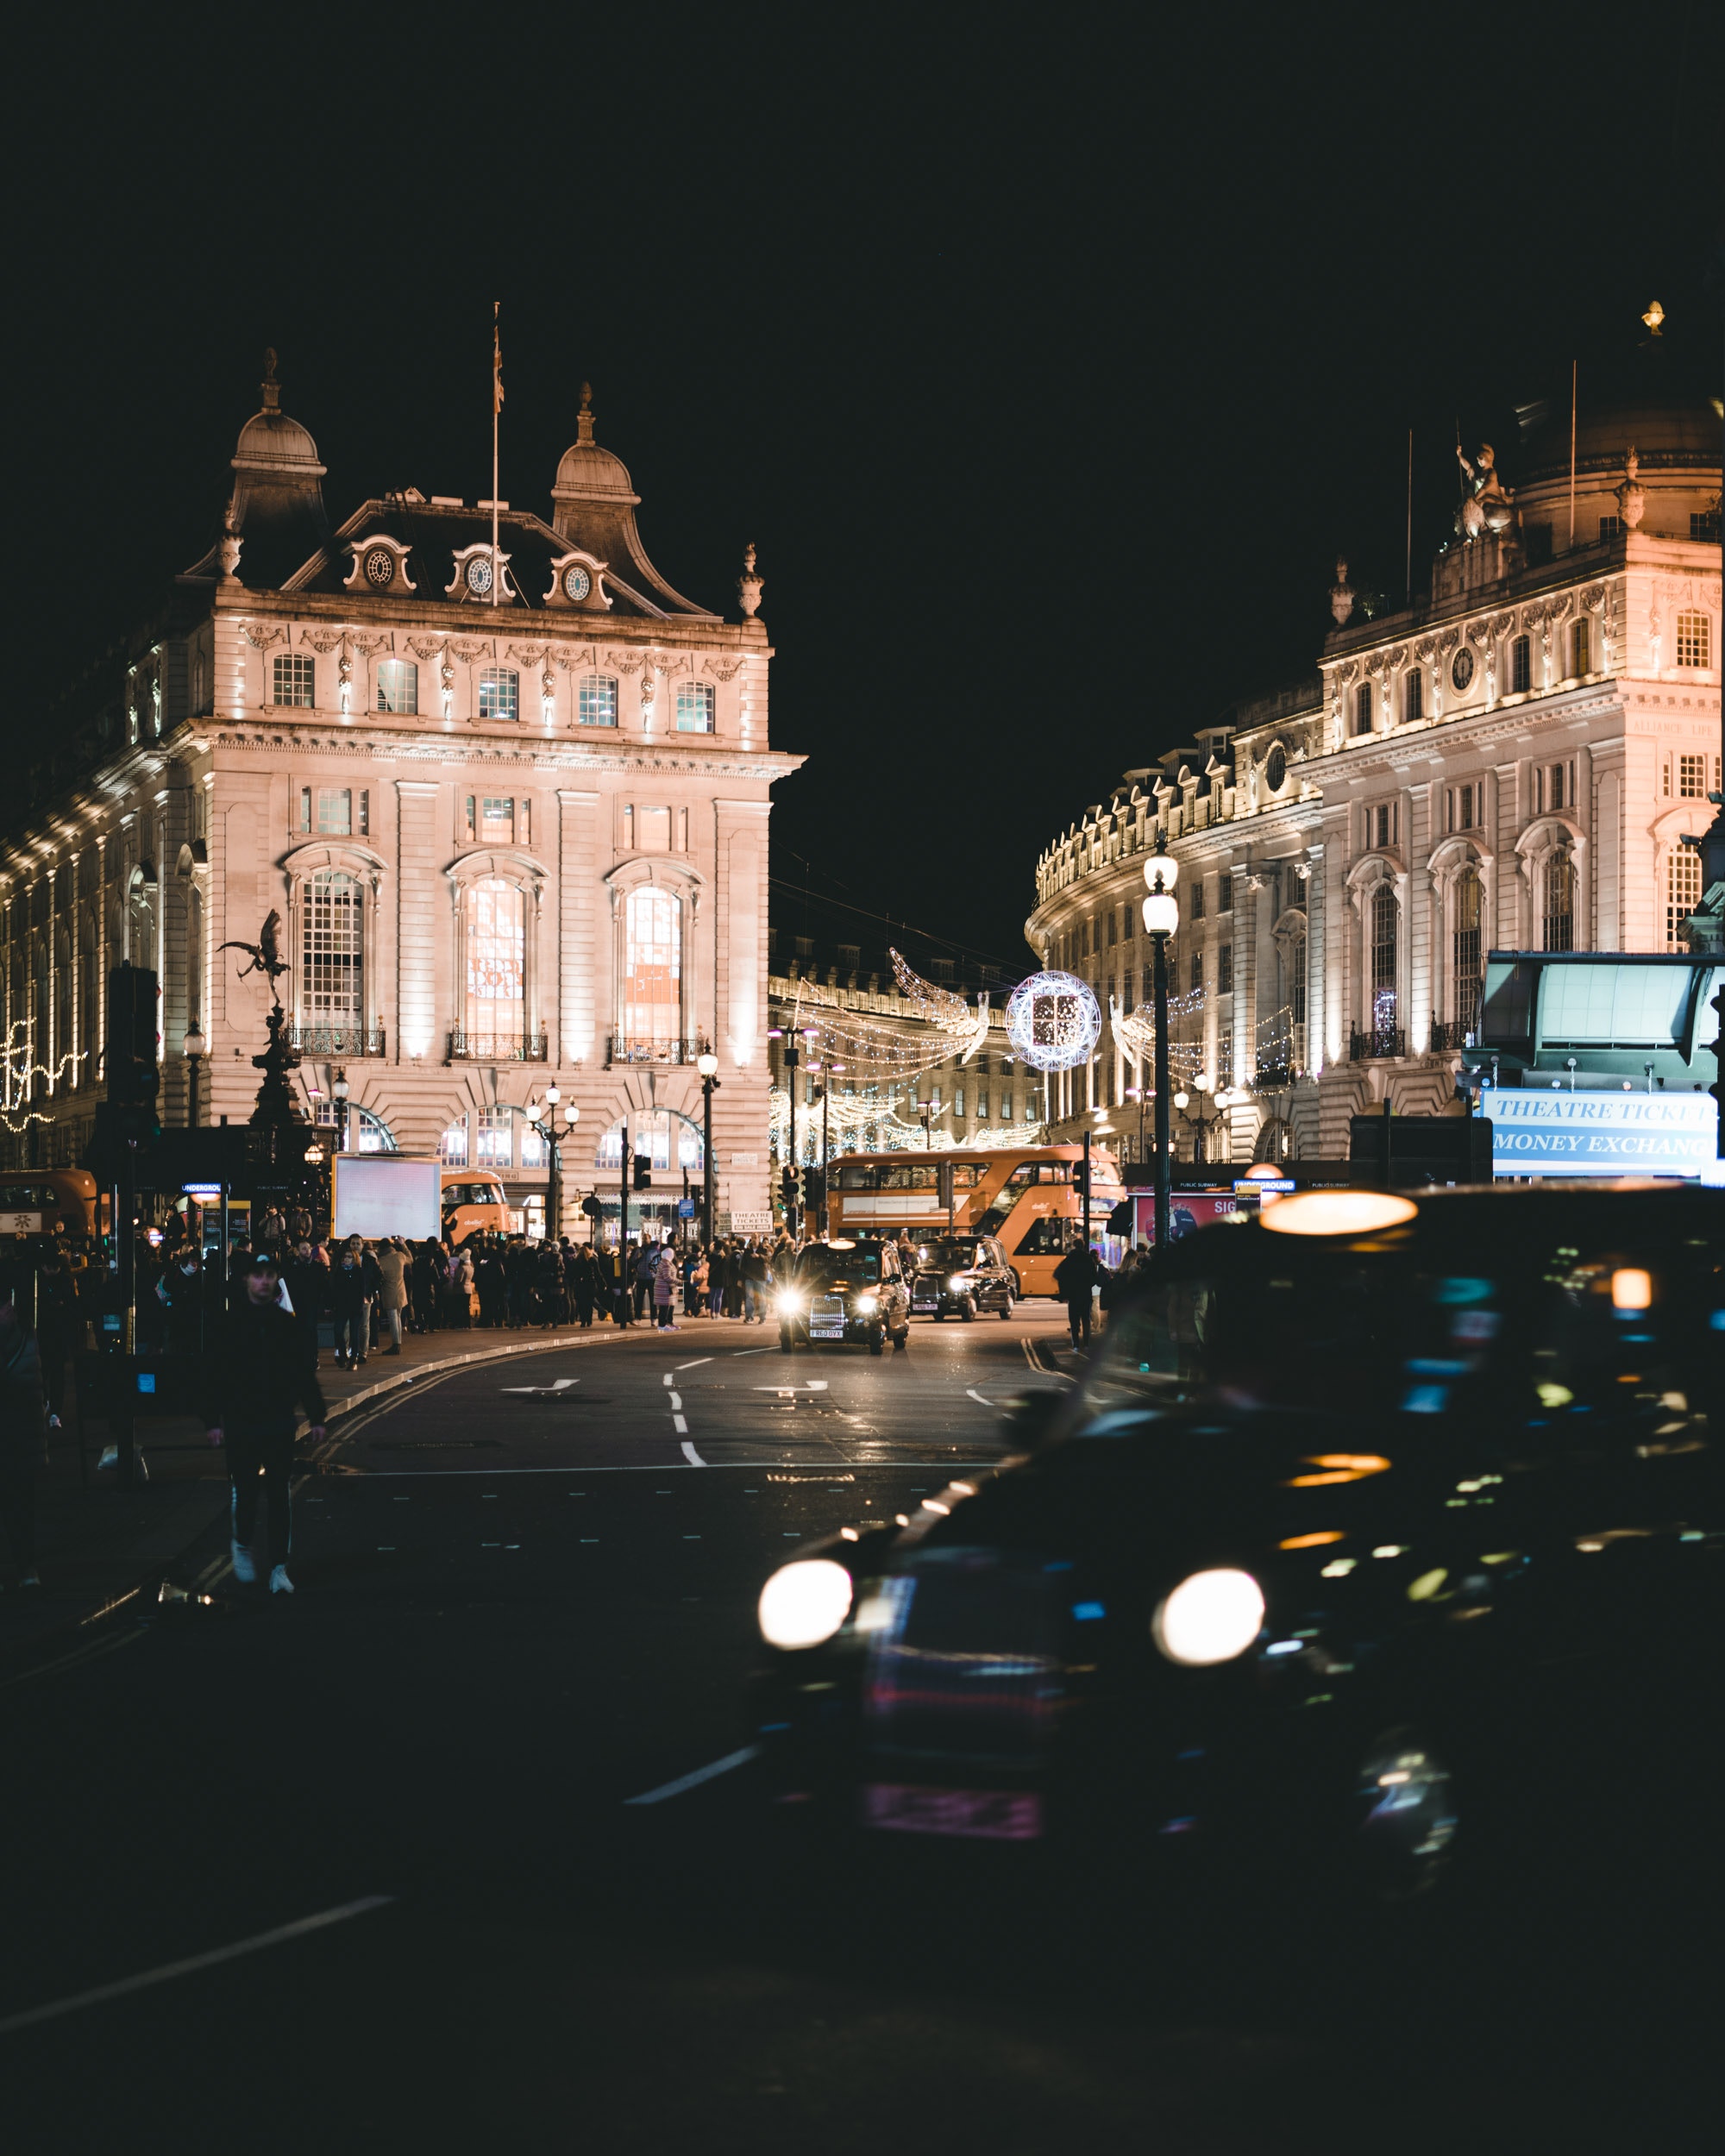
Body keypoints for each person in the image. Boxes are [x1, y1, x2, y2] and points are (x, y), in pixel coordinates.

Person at [204, 1250, 327, 1595]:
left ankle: (278, 1567)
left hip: (278, 1421)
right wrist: (212, 1419)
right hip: (242, 1421)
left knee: (279, 1495)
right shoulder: (229, 1323)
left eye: (270, 1275)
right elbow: (213, 1374)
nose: (264, 1281)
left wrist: (316, 1415)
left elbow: (302, 1374)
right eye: (258, 1275)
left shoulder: (286, 1324)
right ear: (247, 1279)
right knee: (244, 1492)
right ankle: (242, 1544)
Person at [0, 1264, 47, 1589]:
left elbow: (34, 1398)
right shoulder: (26, 1339)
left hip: (17, 1438)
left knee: (20, 1508)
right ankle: (26, 1568)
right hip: (19, 1436)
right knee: (19, 1507)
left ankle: (26, 1565)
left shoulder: (26, 1341)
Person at [34, 1246, 80, 1431]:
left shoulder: (41, 1282)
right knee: (57, 1376)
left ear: (47, 1266)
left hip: (45, 1334)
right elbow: (75, 1308)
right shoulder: (68, 1281)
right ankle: (55, 1412)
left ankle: (46, 1404)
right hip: (60, 1336)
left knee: (42, 1373)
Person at [328, 1242, 370, 1368]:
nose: (346, 1259)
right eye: (345, 1257)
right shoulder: (339, 1271)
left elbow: (361, 1290)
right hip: (341, 1307)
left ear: (354, 1259)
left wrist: (359, 1306)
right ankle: (343, 1354)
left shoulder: (358, 1272)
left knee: (354, 1333)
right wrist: (332, 1304)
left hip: (355, 1307)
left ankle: (353, 1359)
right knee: (338, 1330)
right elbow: (334, 1289)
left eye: (349, 1257)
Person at [1053, 1240, 1102, 1349]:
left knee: (1074, 1320)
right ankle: (1086, 1343)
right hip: (1085, 1293)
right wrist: (1087, 1285)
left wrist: (1065, 1293)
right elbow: (1094, 1277)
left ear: (1074, 1246)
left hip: (1073, 1294)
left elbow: (1058, 1274)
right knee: (1086, 1319)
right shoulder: (1088, 1259)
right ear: (1083, 1246)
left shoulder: (1069, 1259)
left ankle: (1076, 1344)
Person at [373, 1235, 409, 1356]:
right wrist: (403, 1244)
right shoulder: (400, 1256)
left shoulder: (381, 1261)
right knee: (398, 1318)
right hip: (401, 1292)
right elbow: (411, 1259)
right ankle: (398, 1344)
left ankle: (396, 1345)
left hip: (389, 1293)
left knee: (393, 1319)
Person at [653, 1243, 680, 1330]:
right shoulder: (666, 1264)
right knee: (664, 1307)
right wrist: (679, 1281)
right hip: (665, 1288)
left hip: (667, 1288)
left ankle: (666, 1323)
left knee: (666, 1307)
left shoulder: (666, 1262)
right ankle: (662, 1325)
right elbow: (667, 1277)